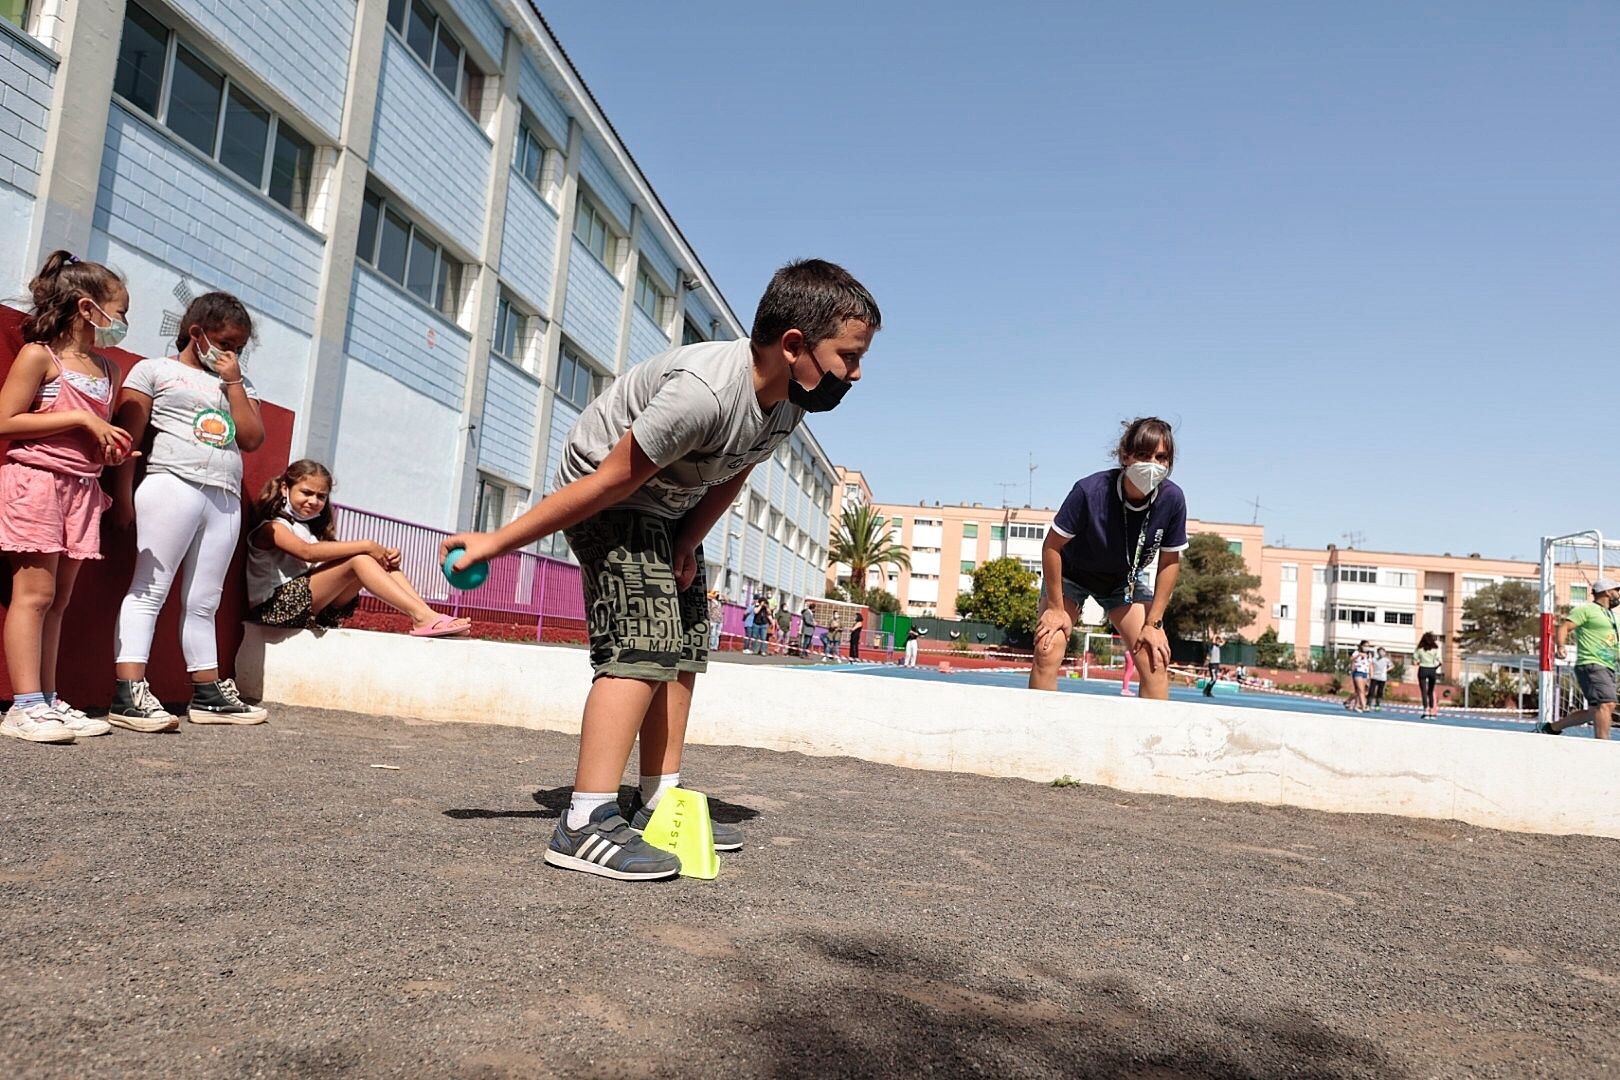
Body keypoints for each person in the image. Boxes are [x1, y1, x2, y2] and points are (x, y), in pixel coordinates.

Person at [440, 259, 879, 881]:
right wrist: (496, 543)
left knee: (684, 640)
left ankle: (657, 800)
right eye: (849, 356)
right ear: (793, 346)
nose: (856, 374)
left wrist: (690, 540)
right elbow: (610, 479)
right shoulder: (700, 394)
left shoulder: (787, 405)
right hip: (609, 494)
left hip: (672, 507)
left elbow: (738, 470)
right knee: (643, 639)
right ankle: (584, 820)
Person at [108, 292, 268, 731]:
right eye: (224, 341)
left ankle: (208, 691)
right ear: (196, 333)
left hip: (224, 496)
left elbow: (253, 439)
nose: (231, 351)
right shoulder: (154, 370)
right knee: (149, 588)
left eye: (239, 345)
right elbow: (130, 439)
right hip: (170, 484)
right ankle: (129, 691)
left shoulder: (240, 383)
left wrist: (234, 381)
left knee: (204, 599)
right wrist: (123, 495)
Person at [0, 252, 134, 743]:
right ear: (86, 308)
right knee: (32, 595)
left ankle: (50, 699)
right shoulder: (39, 355)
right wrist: (81, 419)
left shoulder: (107, 368)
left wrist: (109, 448)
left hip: (83, 490)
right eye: (118, 311)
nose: (122, 323)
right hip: (36, 484)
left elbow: (94, 432)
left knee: (58, 600)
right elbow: (5, 421)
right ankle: (24, 706)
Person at [1029, 417, 1188, 699]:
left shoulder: (1172, 499)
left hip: (1121, 581)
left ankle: (1151, 740)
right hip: (1072, 574)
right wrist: (1055, 607)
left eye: (1161, 457)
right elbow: (1051, 546)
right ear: (1125, 456)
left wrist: (1154, 623)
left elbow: (1169, 562)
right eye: (1143, 455)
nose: (1152, 463)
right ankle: (1034, 736)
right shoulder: (1089, 491)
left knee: (1155, 659)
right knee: (1047, 645)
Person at [246, 459, 470, 637]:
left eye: (321, 496)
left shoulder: (312, 531)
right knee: (360, 558)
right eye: (306, 492)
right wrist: (367, 545)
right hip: (274, 608)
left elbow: (323, 561)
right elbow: (306, 552)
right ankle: (422, 616)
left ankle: (428, 615)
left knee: (376, 560)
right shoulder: (273, 527)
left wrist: (382, 556)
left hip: (308, 605)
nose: (314, 501)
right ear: (286, 488)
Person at [1537, 576, 1619, 738]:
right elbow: (1565, 627)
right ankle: (1602, 746)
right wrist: (1560, 646)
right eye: (1617, 590)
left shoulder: (1613, 616)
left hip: (1608, 666)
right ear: (1608, 592)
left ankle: (1551, 728)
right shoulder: (1586, 610)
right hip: (1591, 663)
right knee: (1607, 704)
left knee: (1595, 711)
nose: (1618, 594)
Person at [1414, 632, 1442, 718]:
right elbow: (1440, 662)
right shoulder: (1435, 649)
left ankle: (1425, 711)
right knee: (1430, 691)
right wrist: (1434, 668)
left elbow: (1415, 661)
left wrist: (1420, 662)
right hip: (1432, 670)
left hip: (1422, 669)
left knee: (1423, 691)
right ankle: (1432, 712)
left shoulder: (1419, 649)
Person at [1348, 640, 1372, 712]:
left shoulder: (1369, 654)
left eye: (1368, 646)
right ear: (1361, 646)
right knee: (1361, 689)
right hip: (1358, 672)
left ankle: (1356, 705)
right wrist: (1358, 655)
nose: (1366, 647)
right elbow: (1351, 659)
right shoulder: (1357, 652)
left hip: (1365, 673)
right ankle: (1364, 706)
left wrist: (1370, 674)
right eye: (1365, 646)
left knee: (1361, 690)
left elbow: (1370, 664)